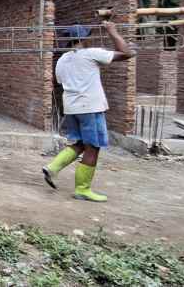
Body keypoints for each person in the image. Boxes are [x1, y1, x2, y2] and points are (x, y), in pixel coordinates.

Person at [43, 21, 135, 202]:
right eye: (88, 36)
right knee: (93, 147)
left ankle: (52, 168)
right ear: (83, 38)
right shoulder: (91, 53)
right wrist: (113, 31)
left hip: (72, 108)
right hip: (90, 107)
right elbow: (127, 53)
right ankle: (82, 189)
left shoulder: (62, 60)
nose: (90, 38)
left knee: (80, 143)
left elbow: (61, 81)